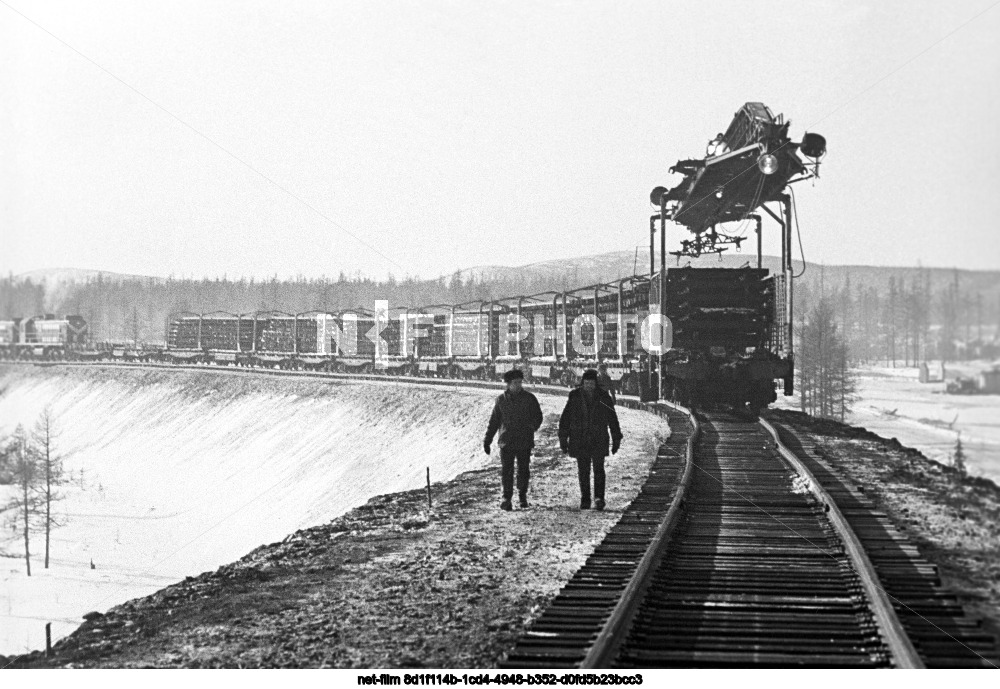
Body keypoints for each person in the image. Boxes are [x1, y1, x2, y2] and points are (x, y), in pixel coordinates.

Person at [558, 369, 623, 511]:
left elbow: (612, 418)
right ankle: (585, 499)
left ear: (596, 384)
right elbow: (565, 419)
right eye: (586, 383)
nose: (589, 385)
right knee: (583, 470)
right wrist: (563, 438)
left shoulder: (604, 397)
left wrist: (616, 437)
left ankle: (599, 498)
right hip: (579, 439)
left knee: (599, 469)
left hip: (598, 438)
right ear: (582, 383)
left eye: (591, 383)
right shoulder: (574, 396)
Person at [484, 368, 544, 511]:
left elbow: (538, 416)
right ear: (508, 384)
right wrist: (487, 440)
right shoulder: (501, 400)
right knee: (507, 471)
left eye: (520, 382)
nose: (518, 385)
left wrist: (531, 427)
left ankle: (522, 496)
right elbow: (494, 422)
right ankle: (507, 498)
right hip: (507, 441)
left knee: (524, 470)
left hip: (524, 440)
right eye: (515, 383)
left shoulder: (529, 398)